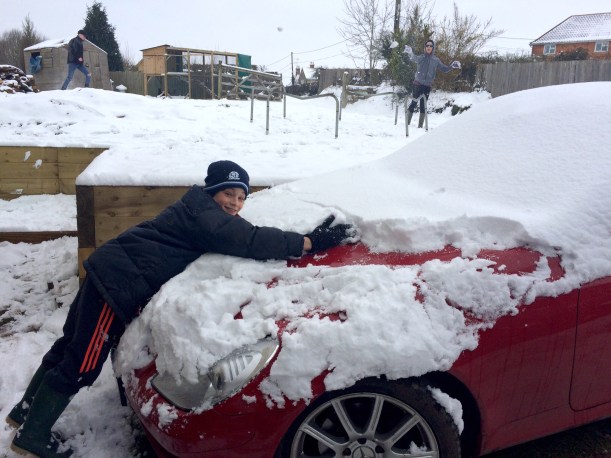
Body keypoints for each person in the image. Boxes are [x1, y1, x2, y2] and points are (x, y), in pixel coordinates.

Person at [6, 160, 356, 457]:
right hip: (118, 283)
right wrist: (308, 241)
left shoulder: (196, 208)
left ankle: (24, 412)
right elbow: (249, 240)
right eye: (228, 194)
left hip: (108, 271)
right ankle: (33, 436)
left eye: (241, 197)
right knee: (83, 361)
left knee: (69, 344)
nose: (234, 203)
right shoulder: (206, 217)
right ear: (212, 191)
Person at [403, 39, 461, 128]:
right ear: (425, 48)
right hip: (417, 84)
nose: (429, 47)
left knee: (423, 106)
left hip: (427, 86)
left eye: (431, 46)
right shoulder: (421, 57)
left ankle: (420, 127)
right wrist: (410, 52)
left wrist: (451, 66)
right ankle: (407, 124)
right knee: (414, 102)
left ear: (433, 48)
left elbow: (444, 69)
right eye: (427, 45)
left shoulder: (436, 60)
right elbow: (414, 58)